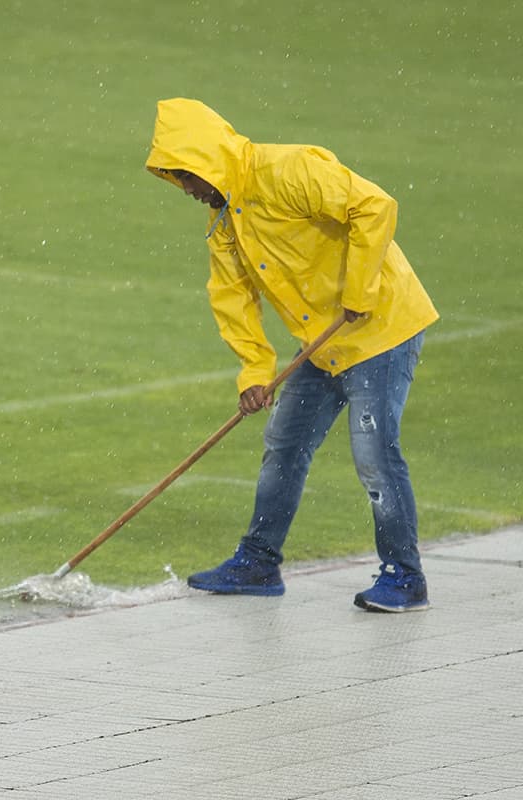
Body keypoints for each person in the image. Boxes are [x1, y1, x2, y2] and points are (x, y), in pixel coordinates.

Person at [144, 98, 439, 612]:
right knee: (284, 445)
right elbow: (233, 299)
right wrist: (254, 372)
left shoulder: (287, 170)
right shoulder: (224, 223)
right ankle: (259, 563)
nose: (186, 190)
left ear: (204, 161)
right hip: (322, 346)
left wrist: (359, 293)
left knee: (374, 452)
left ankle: (405, 577)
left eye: (185, 177)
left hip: (380, 328)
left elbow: (375, 207)